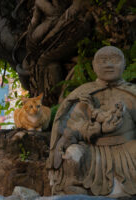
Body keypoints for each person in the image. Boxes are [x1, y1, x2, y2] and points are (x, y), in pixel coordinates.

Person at [47, 46, 136, 197]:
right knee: (72, 154)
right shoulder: (83, 94)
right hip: (93, 150)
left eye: (114, 60)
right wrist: (93, 130)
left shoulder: (132, 93)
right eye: (103, 61)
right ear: (94, 66)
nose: (109, 65)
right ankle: (74, 186)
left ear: (124, 64)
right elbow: (71, 127)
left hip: (128, 149)